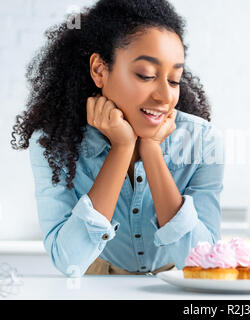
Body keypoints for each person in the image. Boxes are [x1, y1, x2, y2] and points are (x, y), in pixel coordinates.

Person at [10, 0, 224, 276]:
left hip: (175, 286)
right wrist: (122, 149)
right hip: (100, 283)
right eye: (145, 75)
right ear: (99, 70)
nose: (164, 96)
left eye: (174, 80)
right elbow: (69, 262)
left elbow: (202, 263)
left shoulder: (203, 141)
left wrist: (152, 151)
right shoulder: (52, 143)